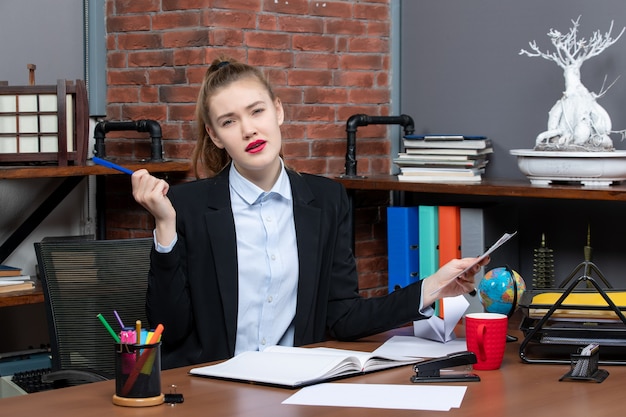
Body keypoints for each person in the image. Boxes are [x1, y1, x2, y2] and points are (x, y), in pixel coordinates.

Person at [131, 57, 489, 369]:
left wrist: (432, 287)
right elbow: (169, 330)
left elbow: (344, 317)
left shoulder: (328, 200)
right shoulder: (186, 206)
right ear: (214, 135)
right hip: (210, 391)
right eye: (229, 122)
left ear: (278, 110)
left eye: (257, 111)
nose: (249, 129)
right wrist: (165, 226)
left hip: (296, 386)